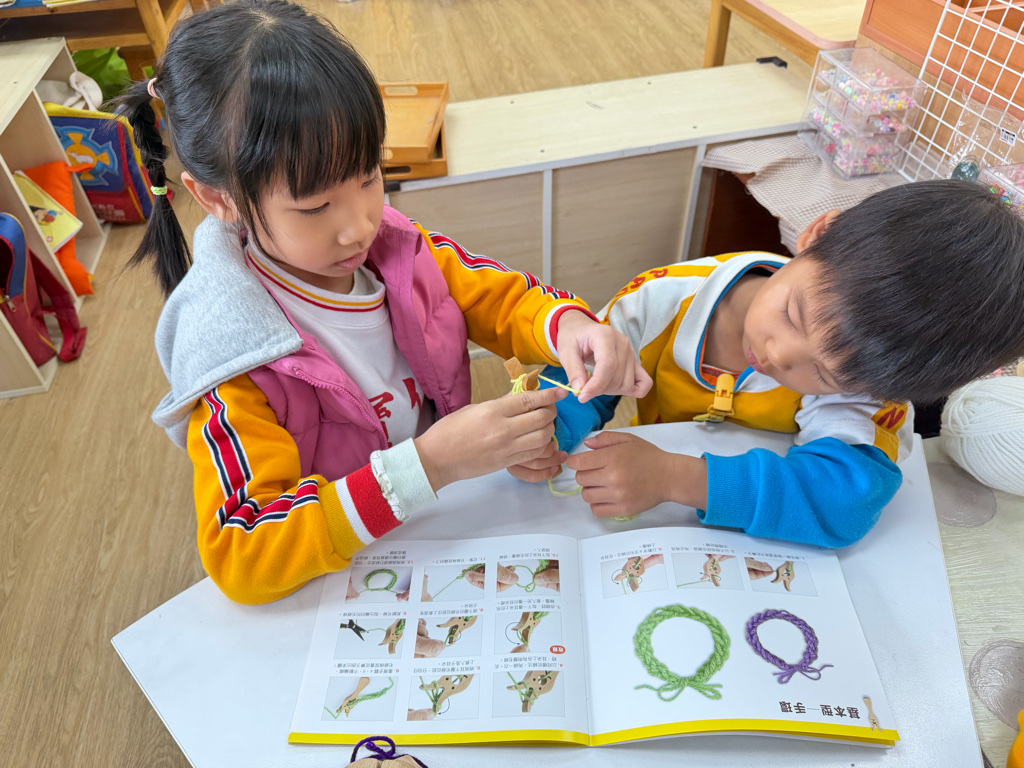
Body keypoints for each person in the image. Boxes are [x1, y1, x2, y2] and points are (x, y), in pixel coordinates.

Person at [117, 0, 650, 604]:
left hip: (442, 530)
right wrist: (433, 464)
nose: (359, 227)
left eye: (369, 176)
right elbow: (244, 553)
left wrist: (568, 326)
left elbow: (500, 296)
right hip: (347, 583)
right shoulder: (233, 360)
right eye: (315, 207)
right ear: (218, 199)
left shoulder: (397, 246)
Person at [515, 181, 1024, 547]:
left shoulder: (869, 383)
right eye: (792, 315)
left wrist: (676, 479)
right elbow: (587, 375)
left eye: (823, 375)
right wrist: (549, 429)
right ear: (818, 234)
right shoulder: (662, 299)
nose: (779, 355)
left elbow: (845, 501)